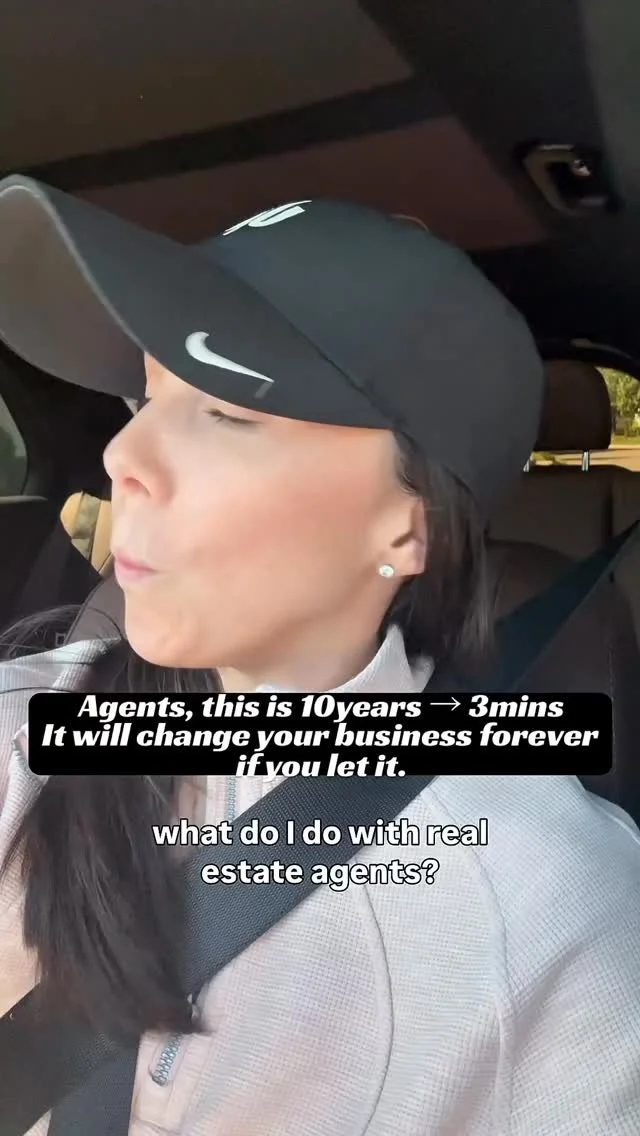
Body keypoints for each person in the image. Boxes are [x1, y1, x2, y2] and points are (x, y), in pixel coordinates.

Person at [0, 180, 639, 1136]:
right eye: (148, 394)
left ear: (411, 527)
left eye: (229, 409)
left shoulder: (557, 911)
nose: (122, 454)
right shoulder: (21, 725)